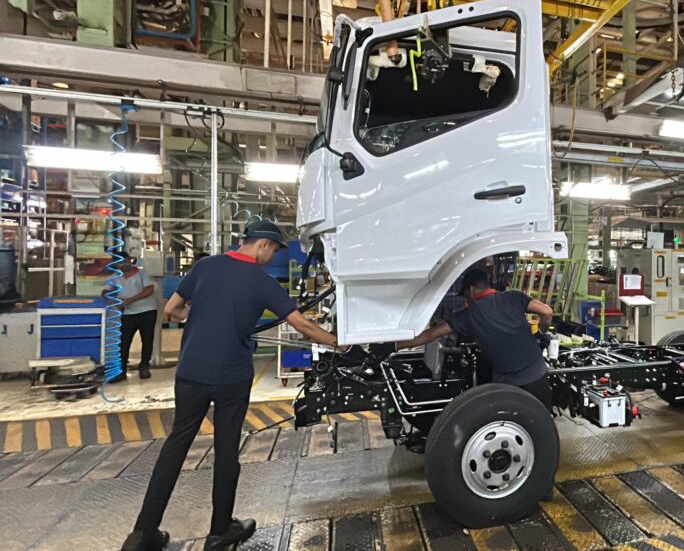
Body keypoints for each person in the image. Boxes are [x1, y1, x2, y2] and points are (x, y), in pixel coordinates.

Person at [121, 221, 339, 551]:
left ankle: (142, 534)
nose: (272, 257)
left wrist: (202, 317)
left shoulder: (205, 266)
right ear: (263, 245)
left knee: (176, 445)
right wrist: (339, 343)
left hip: (190, 372)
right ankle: (220, 530)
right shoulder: (263, 281)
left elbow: (171, 309)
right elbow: (302, 325)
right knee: (226, 450)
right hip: (231, 377)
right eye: (274, 250)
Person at [374, 267, 554, 410]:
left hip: (508, 386)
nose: (465, 300)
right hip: (537, 374)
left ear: (471, 289)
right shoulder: (513, 296)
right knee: (541, 424)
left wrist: (394, 346)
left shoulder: (468, 316)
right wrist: (540, 333)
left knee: (507, 422)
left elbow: (430, 335)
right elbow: (547, 312)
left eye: (465, 295)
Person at [104, 254, 159, 381]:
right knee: (124, 342)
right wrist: (116, 299)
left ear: (130, 260)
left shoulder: (142, 273)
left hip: (147, 311)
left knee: (147, 340)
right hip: (128, 314)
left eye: (126, 261)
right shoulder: (115, 277)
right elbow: (105, 292)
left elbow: (149, 290)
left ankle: (144, 367)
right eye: (120, 263)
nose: (124, 264)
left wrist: (130, 300)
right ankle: (121, 371)